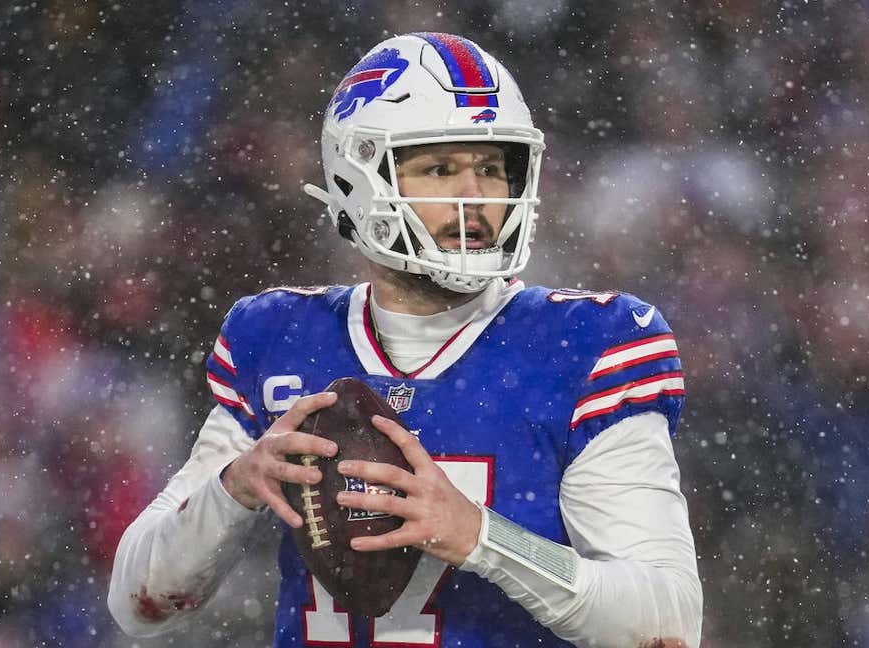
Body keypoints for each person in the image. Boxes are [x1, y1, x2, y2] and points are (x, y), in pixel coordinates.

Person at [108, 32, 702, 647]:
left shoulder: (585, 345)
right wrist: (233, 488)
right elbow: (139, 602)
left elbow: (665, 624)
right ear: (358, 180)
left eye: (492, 168)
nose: (476, 197)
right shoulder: (279, 338)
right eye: (441, 168)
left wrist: (481, 538)